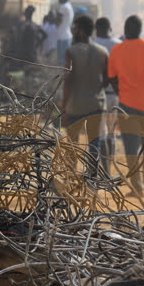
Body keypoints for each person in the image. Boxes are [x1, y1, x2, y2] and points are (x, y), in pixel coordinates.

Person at [108, 15, 144, 197]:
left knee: (130, 146)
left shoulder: (117, 50)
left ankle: (136, 187)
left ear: (125, 31)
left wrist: (121, 92)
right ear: (140, 30)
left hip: (126, 104)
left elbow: (111, 77)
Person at [62, 15, 108, 174]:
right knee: (94, 143)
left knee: (72, 143)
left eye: (74, 28)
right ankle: (92, 178)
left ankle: (70, 176)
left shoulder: (71, 51)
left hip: (75, 106)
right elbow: (107, 80)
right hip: (97, 104)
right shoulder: (102, 52)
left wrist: (63, 108)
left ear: (81, 31)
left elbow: (68, 81)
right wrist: (95, 88)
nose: (73, 31)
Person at [94, 17, 122, 163]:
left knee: (100, 133)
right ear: (110, 28)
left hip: (98, 95)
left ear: (96, 30)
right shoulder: (119, 45)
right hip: (115, 94)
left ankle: (102, 168)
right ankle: (110, 164)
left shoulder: (93, 45)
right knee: (111, 132)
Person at [56, 0, 74, 67]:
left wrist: (54, 17)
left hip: (62, 37)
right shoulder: (69, 6)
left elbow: (58, 21)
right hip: (67, 36)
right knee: (66, 62)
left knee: (61, 63)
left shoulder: (63, 7)